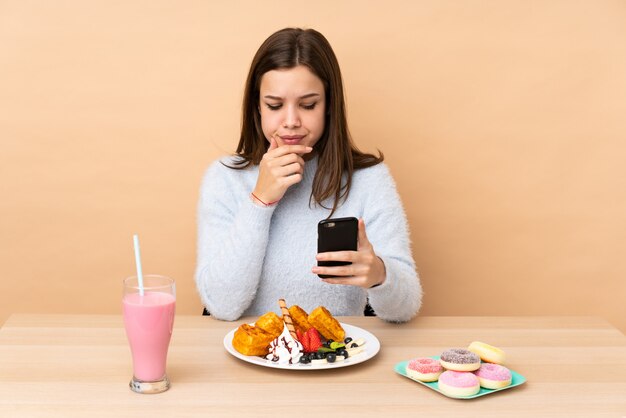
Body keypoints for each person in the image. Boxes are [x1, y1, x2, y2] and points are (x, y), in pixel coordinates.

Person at [195, 28, 422, 322]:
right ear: (257, 108)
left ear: (329, 106)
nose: (291, 122)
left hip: (335, 358)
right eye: (275, 105)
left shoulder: (369, 179)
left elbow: (405, 308)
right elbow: (222, 306)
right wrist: (260, 201)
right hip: (250, 358)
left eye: (308, 104)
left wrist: (380, 274)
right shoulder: (224, 178)